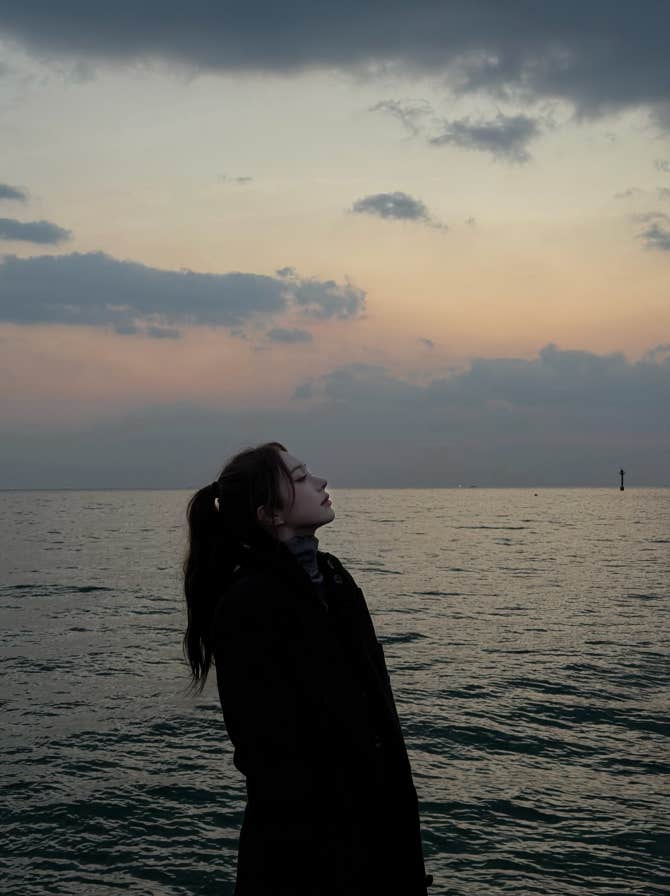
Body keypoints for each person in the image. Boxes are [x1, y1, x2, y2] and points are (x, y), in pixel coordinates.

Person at [183, 441, 433, 895]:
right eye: (299, 478)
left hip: (383, 842)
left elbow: (376, 712)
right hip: (311, 861)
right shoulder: (248, 603)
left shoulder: (334, 578)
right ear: (270, 514)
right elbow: (268, 753)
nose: (320, 482)